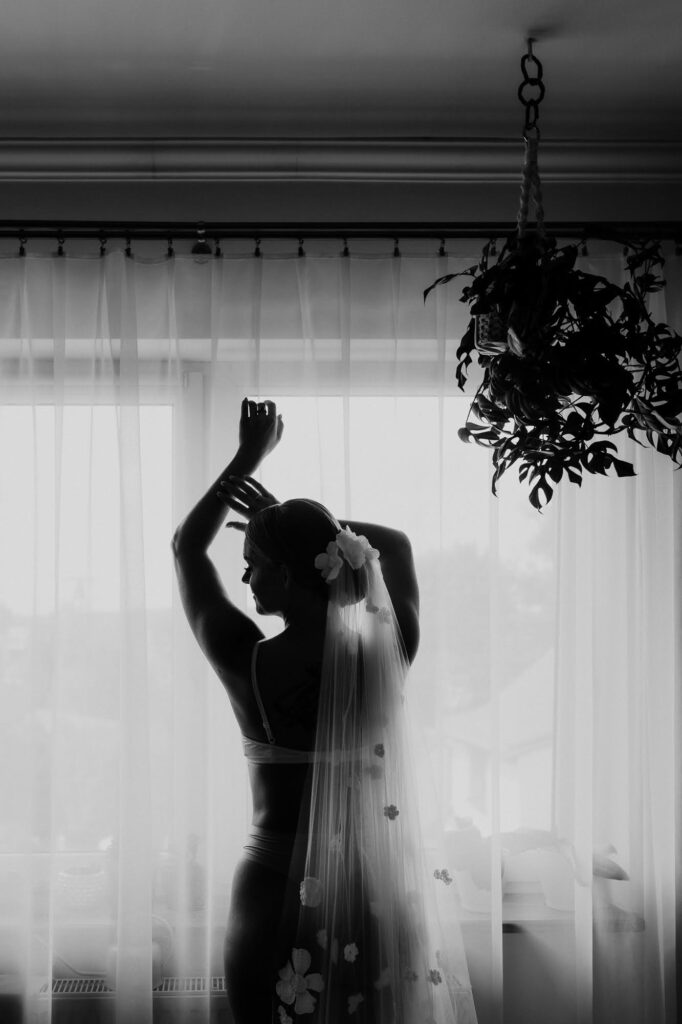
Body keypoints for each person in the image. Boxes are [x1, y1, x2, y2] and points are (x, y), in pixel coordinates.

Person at [173, 399, 475, 1024]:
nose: (246, 579)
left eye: (254, 565)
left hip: (271, 882)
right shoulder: (390, 651)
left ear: (286, 575)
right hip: (365, 886)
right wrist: (297, 522)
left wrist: (248, 458)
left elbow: (186, 548)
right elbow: (396, 546)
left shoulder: (246, 662)